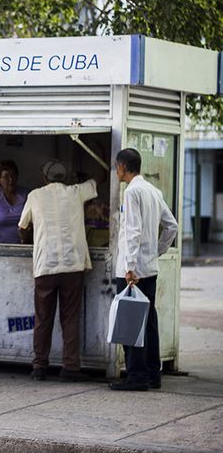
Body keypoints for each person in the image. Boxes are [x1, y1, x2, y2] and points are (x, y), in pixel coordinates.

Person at [18, 159, 99, 382]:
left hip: (45, 265)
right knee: (69, 317)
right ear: (65, 177)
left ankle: (39, 366)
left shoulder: (35, 195)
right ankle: (70, 367)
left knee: (43, 318)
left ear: (44, 177)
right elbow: (96, 181)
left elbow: (22, 227)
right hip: (72, 265)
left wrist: (30, 238)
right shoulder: (76, 192)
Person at [109, 148, 178, 391]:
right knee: (149, 322)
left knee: (132, 321)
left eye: (117, 166)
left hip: (133, 272)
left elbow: (133, 232)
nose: (116, 170)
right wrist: (156, 252)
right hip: (149, 269)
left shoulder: (132, 192)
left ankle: (136, 377)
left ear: (124, 167)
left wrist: (129, 267)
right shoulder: (153, 191)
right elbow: (172, 227)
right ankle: (152, 374)